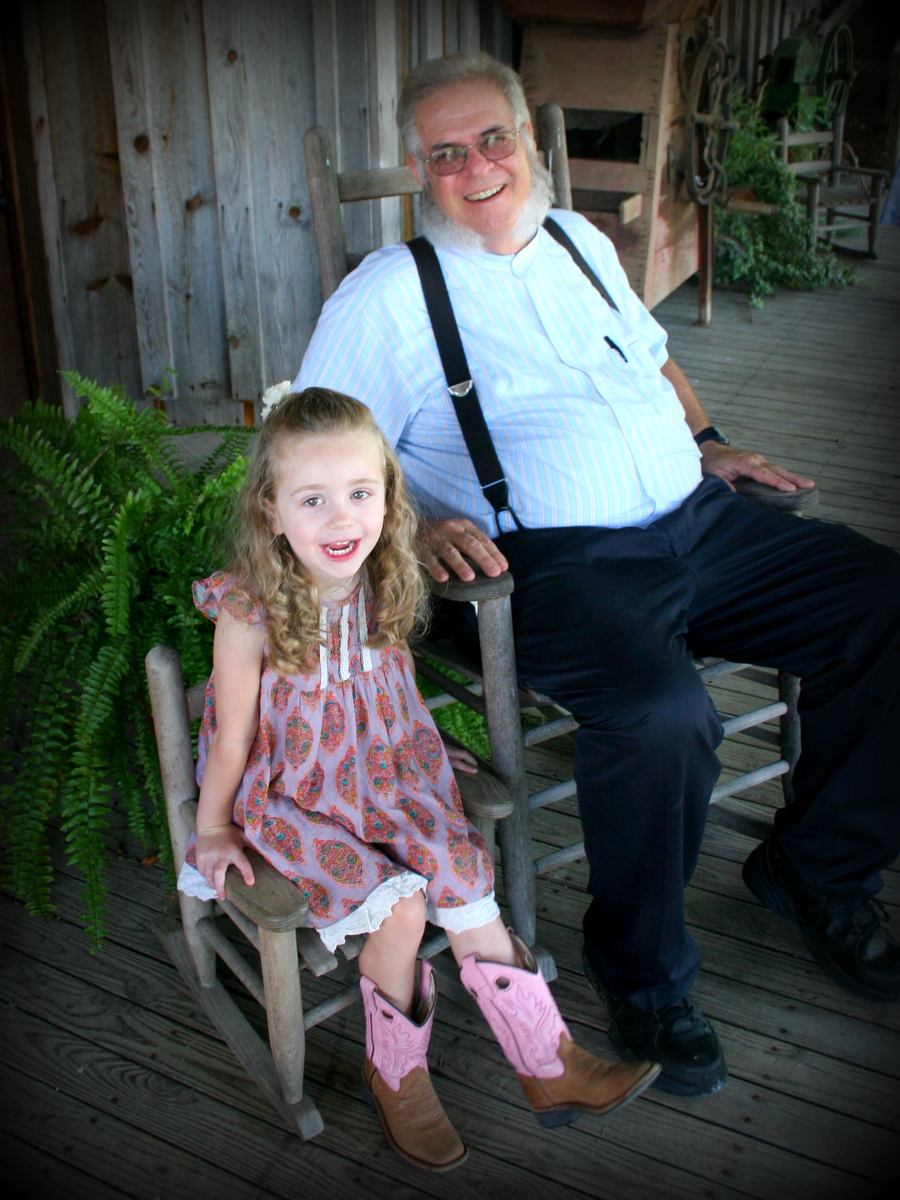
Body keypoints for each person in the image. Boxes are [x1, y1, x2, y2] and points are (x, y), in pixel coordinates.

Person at [294, 51, 900, 1099]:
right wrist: (412, 523)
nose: (476, 166)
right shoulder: (389, 295)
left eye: (492, 139)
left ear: (528, 141)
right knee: (665, 716)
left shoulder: (581, 239)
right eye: (446, 153)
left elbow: (652, 354)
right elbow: (312, 451)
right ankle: (643, 971)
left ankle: (816, 867)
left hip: (699, 521)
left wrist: (707, 439)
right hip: (552, 564)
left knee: (886, 605)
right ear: (420, 170)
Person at [177, 386, 660, 1172]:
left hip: (386, 774)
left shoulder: (380, 576)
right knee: (400, 909)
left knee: (463, 868)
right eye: (313, 500)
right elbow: (233, 736)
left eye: (360, 493)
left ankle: (550, 1063)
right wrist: (212, 827)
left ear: (388, 496)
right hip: (294, 798)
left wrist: (425, 745)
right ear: (271, 511)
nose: (341, 520)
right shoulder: (250, 609)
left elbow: (390, 686)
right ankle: (398, 1077)